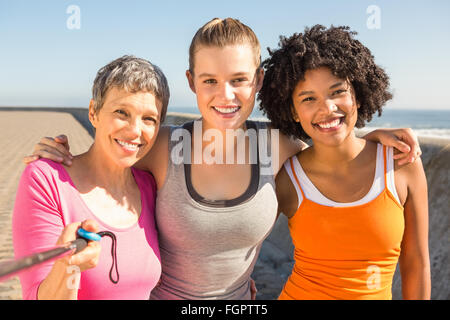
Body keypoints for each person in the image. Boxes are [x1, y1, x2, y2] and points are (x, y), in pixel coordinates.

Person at [23, 18, 421, 300]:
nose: (225, 96)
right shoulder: (163, 147)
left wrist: (368, 136)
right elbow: (113, 151)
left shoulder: (278, 146)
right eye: (210, 80)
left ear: (259, 82)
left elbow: (329, 133)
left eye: (239, 80)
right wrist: (59, 154)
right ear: (191, 81)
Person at [258, 25, 431, 299]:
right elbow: (242, 239)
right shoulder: (288, 178)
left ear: (357, 95)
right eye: (308, 98)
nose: (327, 108)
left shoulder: (402, 162)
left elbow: (416, 263)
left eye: (337, 92)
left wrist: (370, 138)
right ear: (292, 111)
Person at [13, 55, 169, 299]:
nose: (135, 130)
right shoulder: (46, 180)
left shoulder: (150, 186)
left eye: (149, 118)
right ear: (93, 112)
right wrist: (68, 267)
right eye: (121, 112)